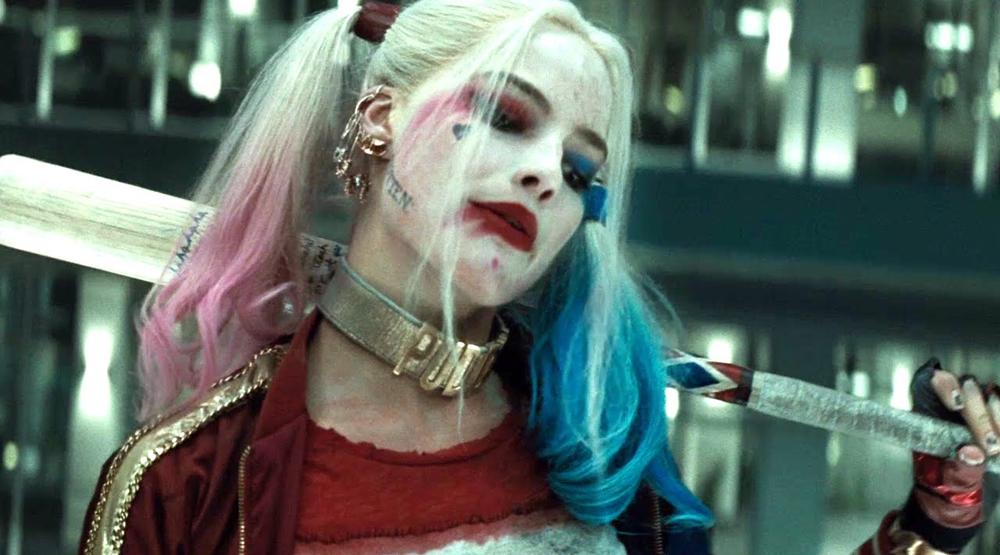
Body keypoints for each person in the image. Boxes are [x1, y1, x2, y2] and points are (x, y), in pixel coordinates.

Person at [77, 1, 996, 554]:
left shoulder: (606, 459)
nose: (547, 176)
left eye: (582, 170)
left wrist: (932, 519)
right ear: (380, 117)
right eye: (507, 118)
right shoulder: (183, 488)